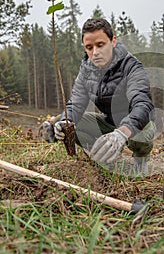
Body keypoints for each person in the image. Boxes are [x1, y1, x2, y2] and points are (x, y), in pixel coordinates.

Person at [44, 18, 156, 174]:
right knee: (65, 123)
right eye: (89, 47)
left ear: (113, 41)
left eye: (100, 45)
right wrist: (64, 120)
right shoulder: (86, 70)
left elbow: (143, 105)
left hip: (135, 125)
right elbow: (75, 104)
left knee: (142, 134)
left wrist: (122, 133)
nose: (95, 52)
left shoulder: (131, 66)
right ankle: (103, 156)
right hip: (108, 122)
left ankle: (141, 162)